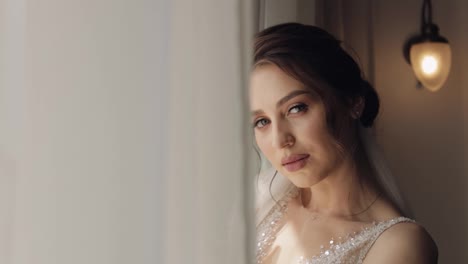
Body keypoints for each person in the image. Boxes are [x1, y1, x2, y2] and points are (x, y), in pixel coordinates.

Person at [250, 23, 438, 263]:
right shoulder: (260, 204)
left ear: (352, 103)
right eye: (261, 121)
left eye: (296, 108)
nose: (280, 140)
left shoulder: (400, 245)